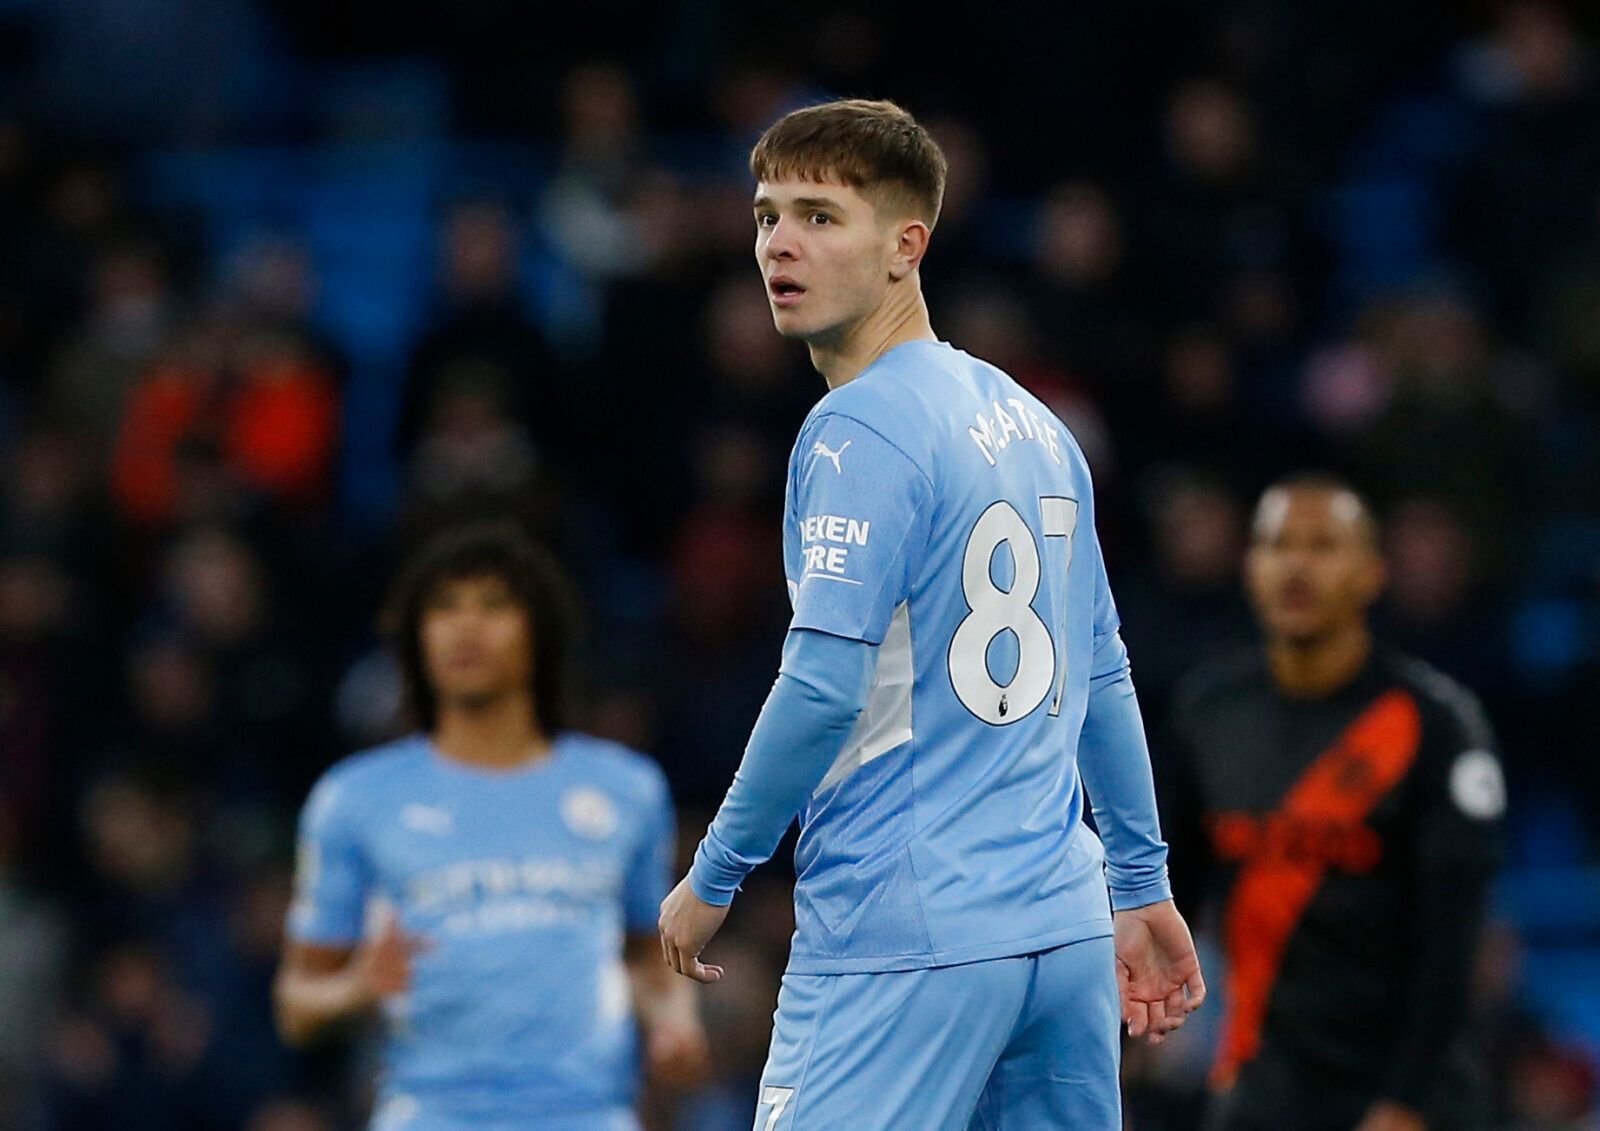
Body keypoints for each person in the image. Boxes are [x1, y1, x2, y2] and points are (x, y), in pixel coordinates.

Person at [656, 98, 1206, 1129]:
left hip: (905, 933)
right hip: (1061, 932)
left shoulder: (856, 428)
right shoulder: (1037, 427)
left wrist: (716, 872)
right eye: (768, 214)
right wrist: (1138, 883)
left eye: (821, 217)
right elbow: (1100, 672)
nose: (780, 242)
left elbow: (821, 689)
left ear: (907, 245)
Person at [275, 523, 707, 1130]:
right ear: (416, 638)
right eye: (445, 607)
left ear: (542, 632)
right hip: (431, 1115)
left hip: (586, 1116)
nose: (466, 627)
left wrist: (674, 1017)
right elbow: (296, 1004)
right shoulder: (354, 799)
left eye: (494, 605)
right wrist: (356, 988)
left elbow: (648, 957)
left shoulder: (627, 790)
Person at [1160, 475, 1506, 1131]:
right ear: (1250, 567)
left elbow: (1453, 948)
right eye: (1276, 543)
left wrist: (1407, 1103)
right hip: (1261, 1090)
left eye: (1323, 545)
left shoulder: (1435, 727)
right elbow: (1170, 899)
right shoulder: (1209, 713)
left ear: (1373, 572)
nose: (1296, 564)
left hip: (1407, 1096)